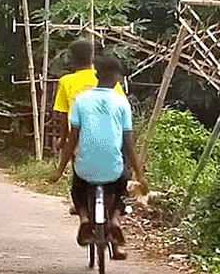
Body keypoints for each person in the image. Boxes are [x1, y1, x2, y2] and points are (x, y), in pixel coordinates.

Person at [49, 55, 148, 259]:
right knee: (121, 188)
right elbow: (128, 143)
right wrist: (140, 175)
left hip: (85, 168)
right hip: (113, 168)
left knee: (78, 189)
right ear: (117, 78)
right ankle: (115, 220)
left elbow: (72, 139)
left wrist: (59, 170)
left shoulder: (81, 101)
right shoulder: (122, 103)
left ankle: (85, 219)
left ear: (96, 74)